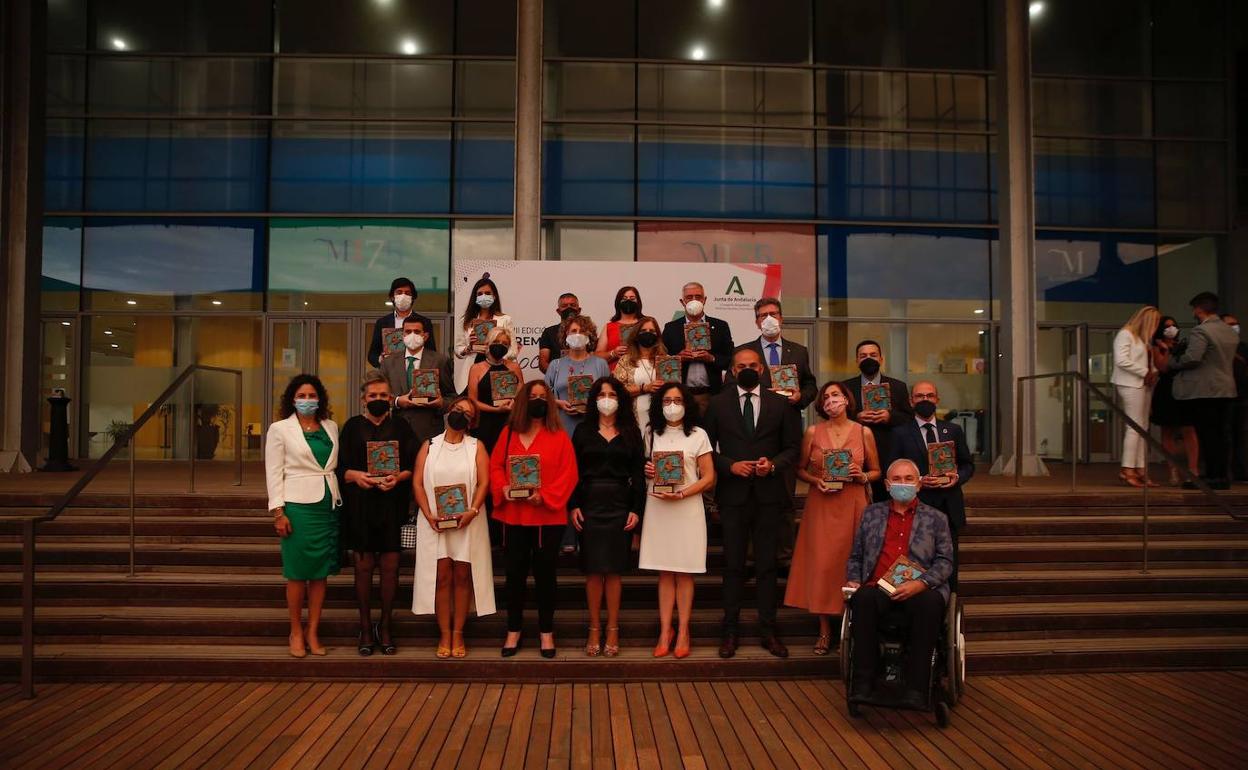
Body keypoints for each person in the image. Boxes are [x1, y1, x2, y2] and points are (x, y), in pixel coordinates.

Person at [702, 347, 802, 659]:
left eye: (753, 365)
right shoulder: (718, 404)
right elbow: (705, 448)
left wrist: (772, 464)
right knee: (732, 565)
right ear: (731, 371)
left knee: (767, 566)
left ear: (762, 369)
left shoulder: (781, 403)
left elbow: (793, 447)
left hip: (769, 495)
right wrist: (728, 465)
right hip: (733, 496)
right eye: (741, 365)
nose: (747, 369)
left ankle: (768, 630)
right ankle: (729, 630)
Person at [845, 459, 954, 710]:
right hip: (879, 586)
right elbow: (856, 556)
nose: (902, 484)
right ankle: (863, 685)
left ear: (918, 485)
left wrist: (922, 583)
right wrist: (854, 579)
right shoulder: (871, 514)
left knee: (928, 604)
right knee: (862, 599)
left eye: (908, 479)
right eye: (896, 479)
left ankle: (916, 689)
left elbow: (945, 561)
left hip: (921, 589)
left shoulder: (936, 518)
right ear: (886, 484)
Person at [784, 381, 879, 655]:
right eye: (826, 397)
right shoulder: (813, 431)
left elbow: (876, 471)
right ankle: (824, 631)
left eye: (836, 395)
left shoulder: (864, 432)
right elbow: (800, 469)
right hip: (822, 504)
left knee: (853, 563)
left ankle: (852, 627)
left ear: (847, 400)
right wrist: (816, 481)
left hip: (854, 504)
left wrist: (861, 476)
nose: (831, 401)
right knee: (823, 564)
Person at [490, 380, 579, 658]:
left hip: (546, 518)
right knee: (514, 576)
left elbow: (570, 474)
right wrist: (503, 487)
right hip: (513, 515)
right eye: (532, 396)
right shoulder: (507, 433)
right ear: (522, 401)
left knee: (545, 576)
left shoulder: (559, 435)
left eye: (543, 396)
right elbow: (494, 467)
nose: (538, 400)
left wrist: (546, 496)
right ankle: (513, 629)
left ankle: (546, 631)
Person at [727, 297, 818, 564]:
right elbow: (729, 388)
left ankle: (784, 558)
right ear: (756, 321)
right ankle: (754, 557)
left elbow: (811, 385)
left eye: (774, 313)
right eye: (763, 314)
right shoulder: (743, 352)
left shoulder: (798, 351)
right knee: (752, 499)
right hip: (753, 431)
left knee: (785, 496)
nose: (769, 318)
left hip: (786, 431)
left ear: (781, 317)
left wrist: (800, 397)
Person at [336, 371, 417, 656]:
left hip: (392, 506)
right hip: (360, 507)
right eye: (374, 396)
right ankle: (364, 625)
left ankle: (386, 626)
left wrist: (400, 477)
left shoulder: (402, 427)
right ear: (363, 399)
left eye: (384, 395)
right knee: (363, 567)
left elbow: (414, 465)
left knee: (391, 569)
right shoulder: (351, 427)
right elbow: (339, 469)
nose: (379, 400)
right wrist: (356, 475)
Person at [412, 397, 495, 659]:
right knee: (442, 576)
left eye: (467, 414)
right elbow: (416, 483)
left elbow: (484, 482)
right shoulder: (429, 445)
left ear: (472, 422)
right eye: (458, 410)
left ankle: (458, 633)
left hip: (468, 519)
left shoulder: (476, 447)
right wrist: (427, 514)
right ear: (449, 411)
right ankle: (444, 633)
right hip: (435, 521)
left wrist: (472, 511)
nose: (461, 415)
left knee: (462, 576)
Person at [568, 379, 646, 657]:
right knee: (592, 570)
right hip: (589, 503)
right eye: (601, 394)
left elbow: (638, 475)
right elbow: (572, 471)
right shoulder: (582, 431)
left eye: (612, 394)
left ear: (620, 400)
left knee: (614, 570)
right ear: (594, 399)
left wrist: (637, 509)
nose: (607, 398)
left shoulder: (632, 432)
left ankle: (613, 628)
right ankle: (594, 628)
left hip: (620, 504)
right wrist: (573, 505)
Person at [266, 374, 342, 658]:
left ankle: (313, 631)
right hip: (297, 506)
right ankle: (296, 631)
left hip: (328, 504)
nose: (307, 401)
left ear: (320, 398)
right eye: (302, 396)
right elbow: (273, 471)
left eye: (312, 396)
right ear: (292, 399)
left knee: (320, 574)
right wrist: (278, 512)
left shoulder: (331, 426)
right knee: (297, 574)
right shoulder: (279, 429)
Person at [638, 382, 716, 659]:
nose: (672, 406)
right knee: (664, 571)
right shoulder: (650, 433)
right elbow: (646, 469)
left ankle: (683, 630)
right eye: (667, 400)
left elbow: (709, 477)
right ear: (659, 404)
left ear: (687, 404)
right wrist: (647, 469)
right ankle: (664, 631)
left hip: (687, 507)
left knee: (683, 571)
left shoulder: (698, 434)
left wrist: (683, 493)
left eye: (678, 400)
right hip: (658, 506)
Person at [889, 381, 974, 589]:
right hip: (915, 505)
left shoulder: (953, 430)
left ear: (937, 399)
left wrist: (957, 477)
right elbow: (891, 468)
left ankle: (950, 605)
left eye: (929, 396)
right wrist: (917, 481)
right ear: (911, 401)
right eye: (919, 396)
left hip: (949, 506)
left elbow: (968, 465)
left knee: (949, 560)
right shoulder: (900, 433)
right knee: (914, 559)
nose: (924, 400)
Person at [1169, 292, 1240, 490]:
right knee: (1222, 435)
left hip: (1204, 390)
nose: (1194, 312)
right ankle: (1222, 477)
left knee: (1208, 434)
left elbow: (1193, 357)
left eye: (1194, 309)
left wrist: (1173, 363)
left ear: (1199, 309)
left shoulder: (1200, 331)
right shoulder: (1229, 331)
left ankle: (1210, 477)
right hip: (1226, 388)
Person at [841, 340, 912, 502]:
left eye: (873, 355)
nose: (868, 359)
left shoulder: (898, 386)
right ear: (857, 360)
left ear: (881, 359)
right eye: (863, 356)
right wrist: (856, 417)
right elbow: (835, 417)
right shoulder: (845, 387)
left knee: (886, 503)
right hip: (854, 455)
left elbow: (909, 418)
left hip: (888, 453)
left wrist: (890, 417)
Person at [380, 314, 456, 445]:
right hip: (396, 429)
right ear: (402, 335)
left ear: (425, 336)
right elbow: (380, 396)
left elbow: (452, 397)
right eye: (408, 332)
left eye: (417, 331)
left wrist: (440, 403)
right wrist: (398, 401)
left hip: (429, 430)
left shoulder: (440, 361)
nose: (412, 335)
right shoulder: (388, 362)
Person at [661, 282, 735, 414]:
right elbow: (661, 363)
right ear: (682, 301)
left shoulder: (720, 326)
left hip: (711, 394)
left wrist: (711, 358)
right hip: (680, 395)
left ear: (704, 300)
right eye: (689, 297)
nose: (694, 300)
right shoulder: (671, 328)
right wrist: (678, 359)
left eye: (698, 297)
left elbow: (731, 360)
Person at [1111, 306, 1161, 487]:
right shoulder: (1126, 334)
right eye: (1154, 322)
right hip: (1130, 383)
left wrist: (1153, 371)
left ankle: (1140, 467)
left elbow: (1149, 361)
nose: (1156, 326)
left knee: (1142, 428)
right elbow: (1121, 360)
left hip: (1144, 384)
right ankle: (1127, 468)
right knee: (1134, 427)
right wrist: (1145, 371)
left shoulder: (1144, 339)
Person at [1150, 316, 1199, 486]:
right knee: (1168, 431)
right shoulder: (1157, 347)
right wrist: (1167, 350)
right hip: (1166, 389)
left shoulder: (1185, 344)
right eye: (1166, 326)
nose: (1171, 329)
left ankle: (1193, 470)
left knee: (1189, 429)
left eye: (1173, 326)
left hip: (1185, 388)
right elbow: (1162, 367)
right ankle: (1172, 470)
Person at [545, 314, 611, 436]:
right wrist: (558, 403)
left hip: (593, 429)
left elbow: (609, 396)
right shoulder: (555, 365)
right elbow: (544, 397)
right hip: (562, 428)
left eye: (582, 331)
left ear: (589, 336)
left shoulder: (600, 364)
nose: (577, 334)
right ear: (566, 335)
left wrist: (592, 403)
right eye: (573, 331)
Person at [466, 326, 525, 455]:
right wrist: (495, 410)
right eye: (496, 342)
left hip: (509, 422)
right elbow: (472, 400)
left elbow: (521, 392)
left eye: (505, 343)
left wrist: (514, 402)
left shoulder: (514, 367)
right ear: (488, 344)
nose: (500, 346)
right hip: (484, 424)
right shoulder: (476, 368)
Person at [454, 277, 518, 393]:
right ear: (475, 297)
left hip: (499, 367)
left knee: (497, 400)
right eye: (480, 294)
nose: (484, 296)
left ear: (495, 296)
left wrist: (496, 352)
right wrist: (469, 348)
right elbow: (458, 350)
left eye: (488, 293)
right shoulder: (466, 320)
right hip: (473, 366)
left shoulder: (505, 319)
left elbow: (513, 350)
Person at [367, 276, 436, 368]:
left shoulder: (425, 322)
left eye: (407, 293)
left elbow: (432, 352)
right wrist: (381, 359)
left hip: (416, 370)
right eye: (399, 292)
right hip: (390, 372)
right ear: (392, 297)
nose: (403, 296)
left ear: (413, 298)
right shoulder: (382, 323)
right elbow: (372, 355)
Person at [614, 315, 666, 434]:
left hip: (662, 419)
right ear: (636, 335)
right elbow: (617, 391)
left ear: (658, 336)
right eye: (643, 331)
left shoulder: (666, 361)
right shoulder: (625, 361)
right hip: (633, 421)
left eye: (652, 331)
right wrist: (644, 388)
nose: (648, 334)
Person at [1220, 313, 1248, 482]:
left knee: (1241, 436)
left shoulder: (1243, 347)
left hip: (1242, 396)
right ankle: (1222, 472)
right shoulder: (1217, 346)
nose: (1234, 327)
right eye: (1230, 324)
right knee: (1224, 435)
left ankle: (1240, 472)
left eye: (1236, 324)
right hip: (1223, 396)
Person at [596, 286, 644, 370]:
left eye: (632, 298)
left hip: (642, 373)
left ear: (638, 302)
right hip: (614, 376)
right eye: (624, 299)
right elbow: (597, 355)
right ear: (618, 302)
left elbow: (658, 350)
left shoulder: (646, 324)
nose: (628, 301)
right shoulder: (609, 327)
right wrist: (613, 353)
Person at [538, 292, 581, 373]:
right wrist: (558, 376)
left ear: (579, 310)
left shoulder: (588, 331)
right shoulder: (549, 332)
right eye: (564, 306)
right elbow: (543, 363)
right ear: (558, 311)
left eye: (572, 305)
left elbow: (594, 357)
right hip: (556, 381)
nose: (569, 308)